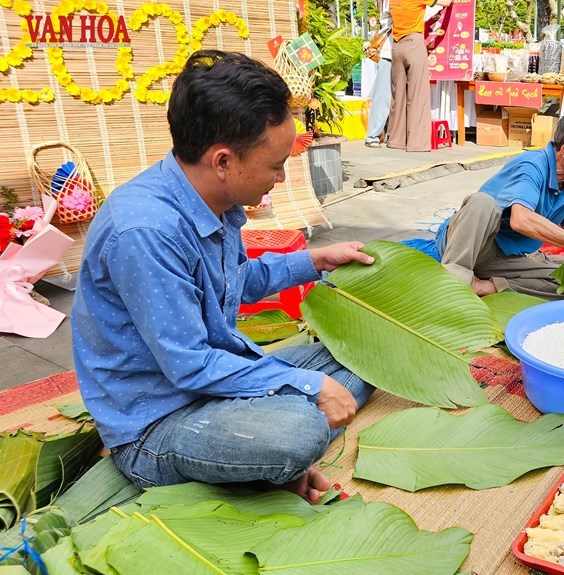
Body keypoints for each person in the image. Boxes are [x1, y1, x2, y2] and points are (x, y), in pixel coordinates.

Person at [71, 51, 376, 502]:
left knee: (364, 353)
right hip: (161, 419)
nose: (281, 176)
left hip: (220, 382)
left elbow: (236, 281)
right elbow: (190, 364)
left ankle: (261, 467)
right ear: (223, 161)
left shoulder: (216, 201)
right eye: (275, 165)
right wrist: (313, 388)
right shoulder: (145, 231)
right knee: (300, 430)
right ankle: (265, 463)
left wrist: (317, 259)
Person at [435, 106, 564, 300]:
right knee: (482, 203)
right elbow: (520, 220)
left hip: (506, 256)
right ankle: (456, 275)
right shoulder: (532, 165)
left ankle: (484, 286)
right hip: (471, 244)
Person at [387, 0, 452, 152]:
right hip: (414, 43)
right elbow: (447, 2)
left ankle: (396, 140)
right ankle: (417, 143)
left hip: (396, 46)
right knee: (418, 95)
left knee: (399, 95)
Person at [364, 0, 393, 147]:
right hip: (390, 50)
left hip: (393, 50)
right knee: (383, 95)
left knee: (385, 95)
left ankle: (380, 135)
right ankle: (373, 135)